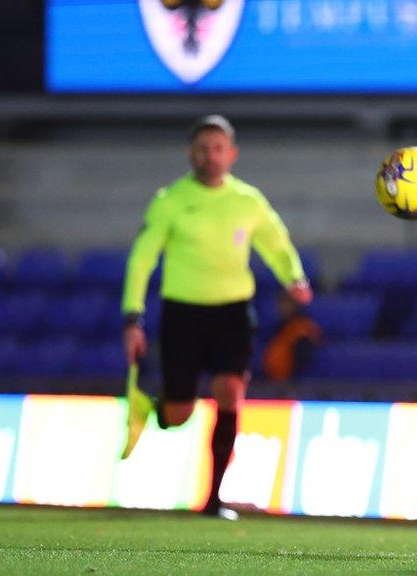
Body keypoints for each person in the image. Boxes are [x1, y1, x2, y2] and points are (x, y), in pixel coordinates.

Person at [120, 114, 312, 519]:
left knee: (230, 391)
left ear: (232, 154)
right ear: (191, 154)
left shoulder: (247, 201)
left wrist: (293, 278)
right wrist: (132, 318)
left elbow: (276, 242)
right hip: (183, 314)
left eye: (218, 149)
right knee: (178, 415)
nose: (211, 156)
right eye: (203, 149)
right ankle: (152, 408)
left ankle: (213, 500)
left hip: (233, 313)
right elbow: (141, 260)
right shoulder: (170, 201)